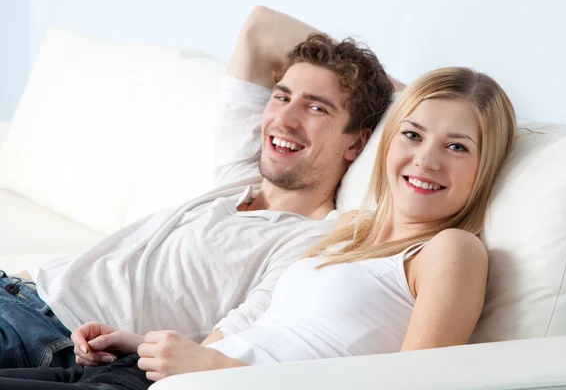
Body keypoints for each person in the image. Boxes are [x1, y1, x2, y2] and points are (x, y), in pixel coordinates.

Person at [0, 64, 517, 389]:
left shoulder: (450, 250)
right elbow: (242, 329)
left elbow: (414, 385)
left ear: (484, 165)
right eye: (412, 133)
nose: (425, 160)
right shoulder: (351, 233)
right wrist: (140, 343)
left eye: (456, 146)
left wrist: (214, 371)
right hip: (150, 372)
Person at [0, 6, 396, 369]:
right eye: (282, 96)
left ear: (357, 144)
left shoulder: (310, 241)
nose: (285, 119)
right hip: (16, 288)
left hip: (51, 334)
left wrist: (403, 100)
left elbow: (224, 344)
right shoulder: (239, 178)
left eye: (316, 108)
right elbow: (260, 28)